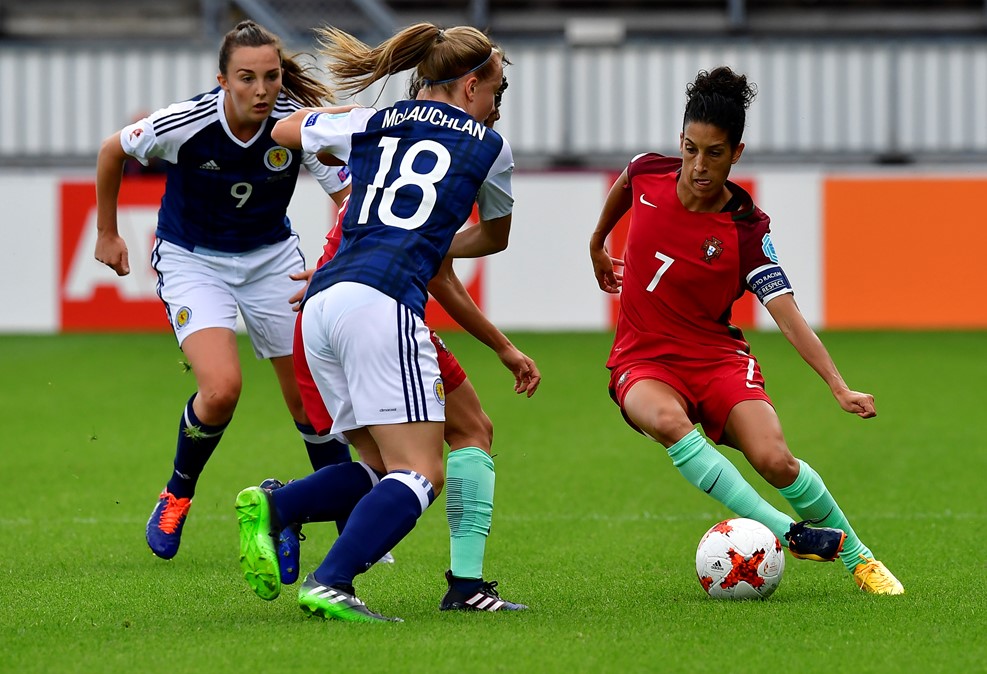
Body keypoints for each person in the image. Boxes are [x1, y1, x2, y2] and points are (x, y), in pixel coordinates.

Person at [234, 22, 532, 622]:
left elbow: (288, 130)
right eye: (497, 90)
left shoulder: (376, 119)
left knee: (376, 468)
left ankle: (277, 507)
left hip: (323, 303)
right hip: (383, 303)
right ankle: (333, 581)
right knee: (422, 472)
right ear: (471, 85)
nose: (498, 105)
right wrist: (435, 241)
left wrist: (355, 125)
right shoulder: (489, 145)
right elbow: (495, 237)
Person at [589, 66, 904, 595]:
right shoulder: (648, 173)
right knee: (666, 419)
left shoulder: (748, 231)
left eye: (714, 153)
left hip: (714, 359)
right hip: (642, 360)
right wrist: (597, 241)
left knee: (775, 460)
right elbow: (624, 184)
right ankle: (788, 532)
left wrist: (838, 385)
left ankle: (862, 561)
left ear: (737, 153)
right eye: (690, 149)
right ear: (679, 141)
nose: (698, 166)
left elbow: (789, 316)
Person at [94, 20, 355, 561]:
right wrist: (107, 231)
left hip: (271, 261)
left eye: (271, 77)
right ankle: (177, 494)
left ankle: (308, 514)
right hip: (193, 261)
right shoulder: (186, 122)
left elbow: (346, 196)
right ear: (222, 81)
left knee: (311, 399)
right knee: (220, 391)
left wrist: (343, 255)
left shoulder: (295, 126)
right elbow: (112, 150)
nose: (261, 90)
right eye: (246, 79)